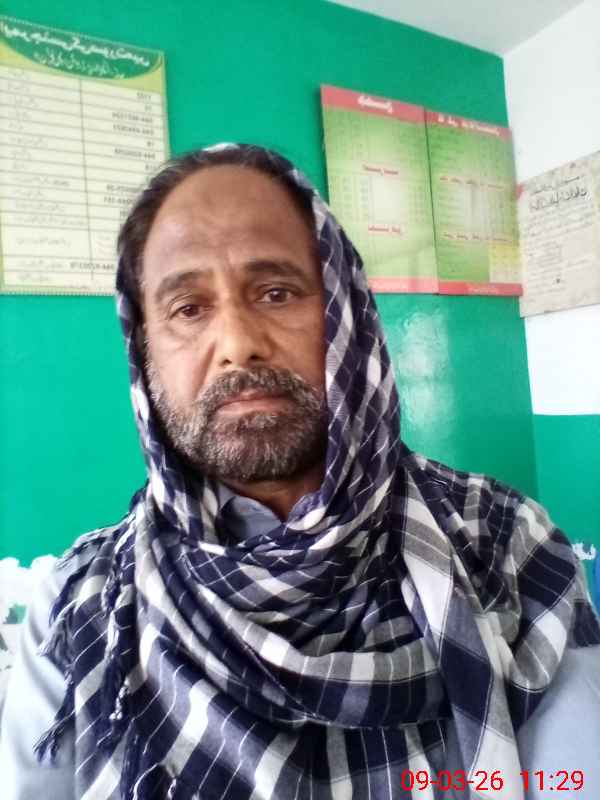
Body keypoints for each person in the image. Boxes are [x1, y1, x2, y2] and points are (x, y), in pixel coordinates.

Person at [1, 143, 599, 800]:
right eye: (188, 308)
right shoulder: (82, 608)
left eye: (276, 292)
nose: (237, 344)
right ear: (144, 354)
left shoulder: (504, 544)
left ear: (348, 313)